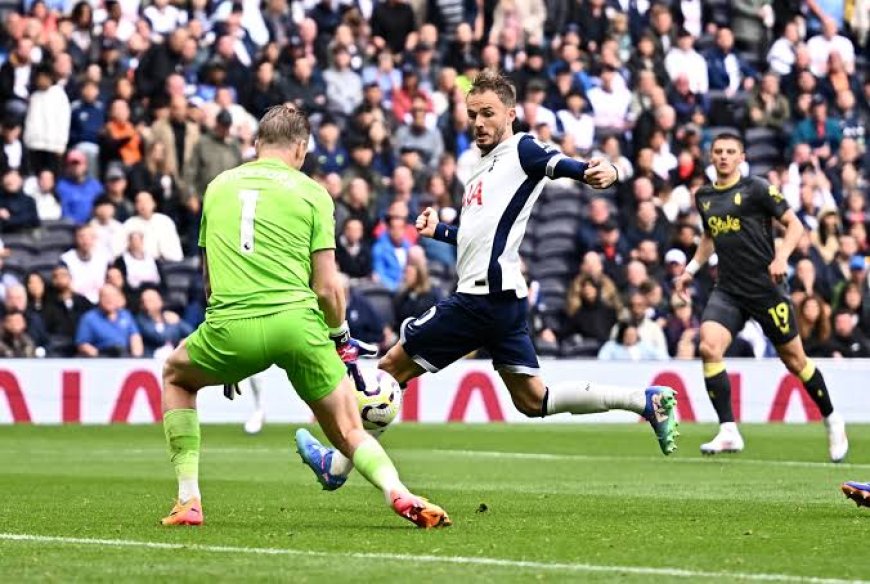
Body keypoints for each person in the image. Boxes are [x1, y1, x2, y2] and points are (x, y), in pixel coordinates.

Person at [296, 70, 679, 490]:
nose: (478, 122)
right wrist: (439, 230)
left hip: (481, 299)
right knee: (535, 400)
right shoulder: (479, 167)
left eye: (488, 113)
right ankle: (646, 400)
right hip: (503, 300)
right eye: (472, 114)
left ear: (511, 114)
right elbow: (475, 234)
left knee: (389, 369)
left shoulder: (521, 149)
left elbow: (561, 164)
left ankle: (337, 466)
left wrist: (596, 170)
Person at [159, 105, 450, 529]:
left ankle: (188, 500)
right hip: (298, 325)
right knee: (349, 428)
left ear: (257, 144)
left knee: (176, 375)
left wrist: (225, 348)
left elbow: (209, 277)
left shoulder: (218, 187)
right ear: (301, 149)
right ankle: (398, 492)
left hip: (231, 326)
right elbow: (329, 288)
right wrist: (340, 336)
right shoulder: (313, 192)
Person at [674, 133, 848, 462]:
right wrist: (691, 269)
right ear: (711, 157)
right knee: (709, 345)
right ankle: (729, 430)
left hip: (765, 289)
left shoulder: (757, 189)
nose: (724, 157)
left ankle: (832, 419)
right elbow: (710, 235)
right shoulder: (705, 196)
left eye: (730, 152)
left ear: (741, 157)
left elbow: (794, 225)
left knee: (795, 361)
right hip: (728, 289)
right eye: (718, 152)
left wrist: (781, 256)